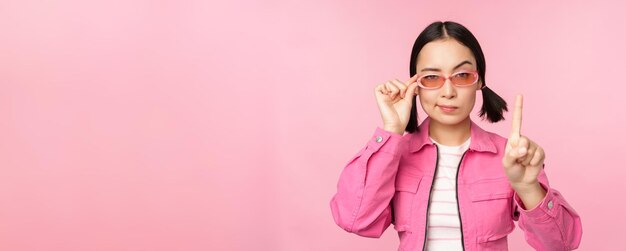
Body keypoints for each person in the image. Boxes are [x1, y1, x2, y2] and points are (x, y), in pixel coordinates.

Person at [329, 21, 582, 251]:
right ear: (415, 86)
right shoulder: (396, 154)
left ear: (479, 79)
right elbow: (355, 219)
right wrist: (391, 131)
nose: (448, 91)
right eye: (431, 77)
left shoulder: (511, 157)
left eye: (461, 75)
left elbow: (561, 244)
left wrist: (527, 187)